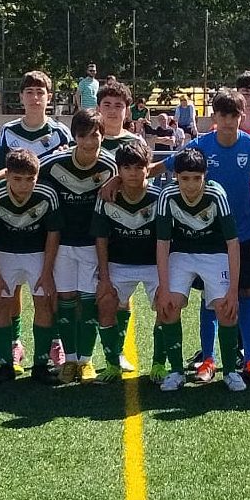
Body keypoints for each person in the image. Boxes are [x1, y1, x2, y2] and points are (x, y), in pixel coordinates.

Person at [160, 90, 250, 385]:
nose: (228, 121)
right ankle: (208, 359)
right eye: (223, 115)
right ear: (214, 116)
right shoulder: (201, 145)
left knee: (246, 294)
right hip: (206, 239)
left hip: (243, 235)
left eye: (234, 115)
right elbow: (169, 163)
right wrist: (124, 178)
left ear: (241, 116)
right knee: (209, 298)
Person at [0, 70, 73, 367]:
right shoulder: (9, 130)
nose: (35, 98)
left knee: (48, 288)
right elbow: (1, 171)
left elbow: (67, 173)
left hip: (48, 220)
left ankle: (55, 342)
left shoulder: (61, 132)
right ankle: (15, 342)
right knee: (12, 289)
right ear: (21, 97)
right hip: (14, 220)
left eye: (41, 92)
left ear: (49, 98)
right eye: (30, 92)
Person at [39, 108, 120, 383]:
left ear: (103, 136)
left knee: (88, 302)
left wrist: (117, 180)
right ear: (74, 136)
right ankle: (70, 360)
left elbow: (134, 177)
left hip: (93, 246)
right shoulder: (54, 162)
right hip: (61, 244)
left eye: (95, 135)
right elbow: (24, 168)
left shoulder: (111, 166)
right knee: (65, 299)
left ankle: (86, 361)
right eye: (83, 135)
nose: (89, 141)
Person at [153, 147, 242, 391]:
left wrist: (233, 291)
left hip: (215, 253)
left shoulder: (216, 194)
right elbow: (162, 243)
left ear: (205, 175)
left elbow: (233, 243)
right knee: (169, 307)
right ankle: (176, 372)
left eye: (196, 178)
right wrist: (163, 288)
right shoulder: (167, 195)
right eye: (185, 178)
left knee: (226, 309)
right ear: (176, 177)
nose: (191, 185)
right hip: (182, 253)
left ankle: (230, 372)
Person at [0, 148, 61, 383]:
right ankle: (6, 365)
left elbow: (53, 233)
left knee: (43, 302)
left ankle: (40, 365)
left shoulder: (47, 193)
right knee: (0, 303)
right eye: (17, 179)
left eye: (30, 179)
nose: (24, 185)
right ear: (7, 176)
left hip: (37, 254)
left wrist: (47, 271)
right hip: (4, 254)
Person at [92, 142, 162, 383]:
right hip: (119, 263)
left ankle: (159, 364)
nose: (133, 173)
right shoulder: (107, 197)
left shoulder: (159, 197)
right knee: (105, 302)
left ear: (147, 169)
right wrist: (104, 278)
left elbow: (166, 240)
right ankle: (113, 363)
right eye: (127, 168)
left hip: (154, 264)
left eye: (138, 167)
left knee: (168, 306)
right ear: (119, 170)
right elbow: (101, 239)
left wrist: (165, 278)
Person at [97, 81, 149, 156]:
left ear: (127, 111)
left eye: (118, 106)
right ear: (98, 109)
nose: (112, 110)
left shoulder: (137, 143)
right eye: (107, 105)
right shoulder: (86, 141)